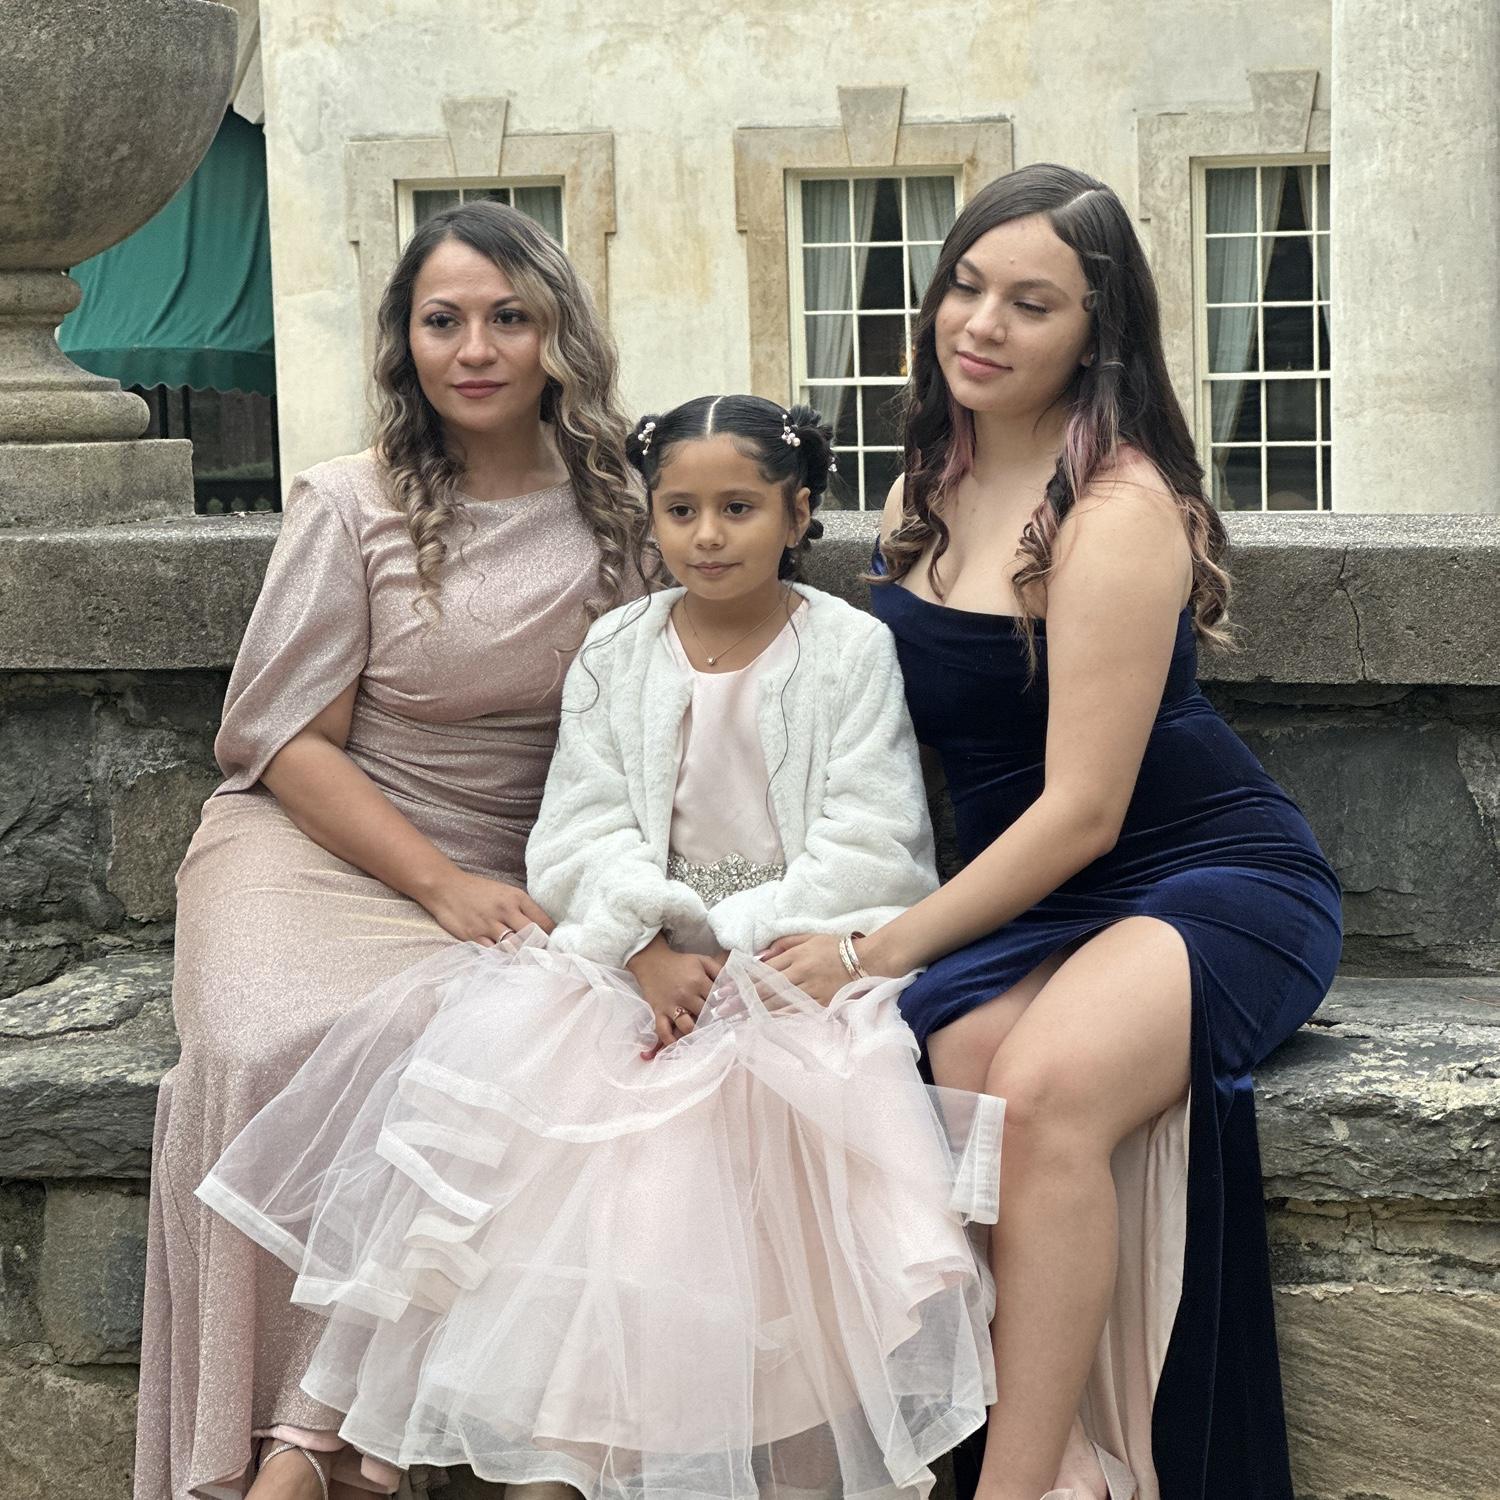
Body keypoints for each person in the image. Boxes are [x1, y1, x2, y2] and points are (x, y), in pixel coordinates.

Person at [197, 396, 1003, 1500]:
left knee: (754, 1164)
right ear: (650, 519)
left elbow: (873, 833)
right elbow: (579, 827)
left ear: (798, 512)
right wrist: (643, 947)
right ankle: (552, 1465)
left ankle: (744, 1452)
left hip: (791, 971)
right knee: (571, 1174)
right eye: (681, 510)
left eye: (739, 508)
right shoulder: (617, 648)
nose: (707, 535)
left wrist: (748, 951)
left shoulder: (849, 649)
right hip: (634, 970)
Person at [764, 165, 1343, 1500]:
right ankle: (1067, 1451)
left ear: (1096, 333)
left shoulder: (1118, 511)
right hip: (1046, 894)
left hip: (1211, 874)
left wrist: (869, 951)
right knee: (955, 1058)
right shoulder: (929, 485)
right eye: (966, 287)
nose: (982, 323)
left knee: (1040, 1087)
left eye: (1031, 303)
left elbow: (1083, 809)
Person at [134, 200, 644, 1500]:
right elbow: (285, 740)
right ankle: (276, 1441)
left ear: (557, 335)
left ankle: (321, 1447)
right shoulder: (350, 502)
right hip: (318, 837)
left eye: (508, 317)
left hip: (520, 854)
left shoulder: (628, 513)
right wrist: (440, 886)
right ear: (404, 340)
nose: (474, 348)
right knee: (263, 1044)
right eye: (442, 320)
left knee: (467, 1052)